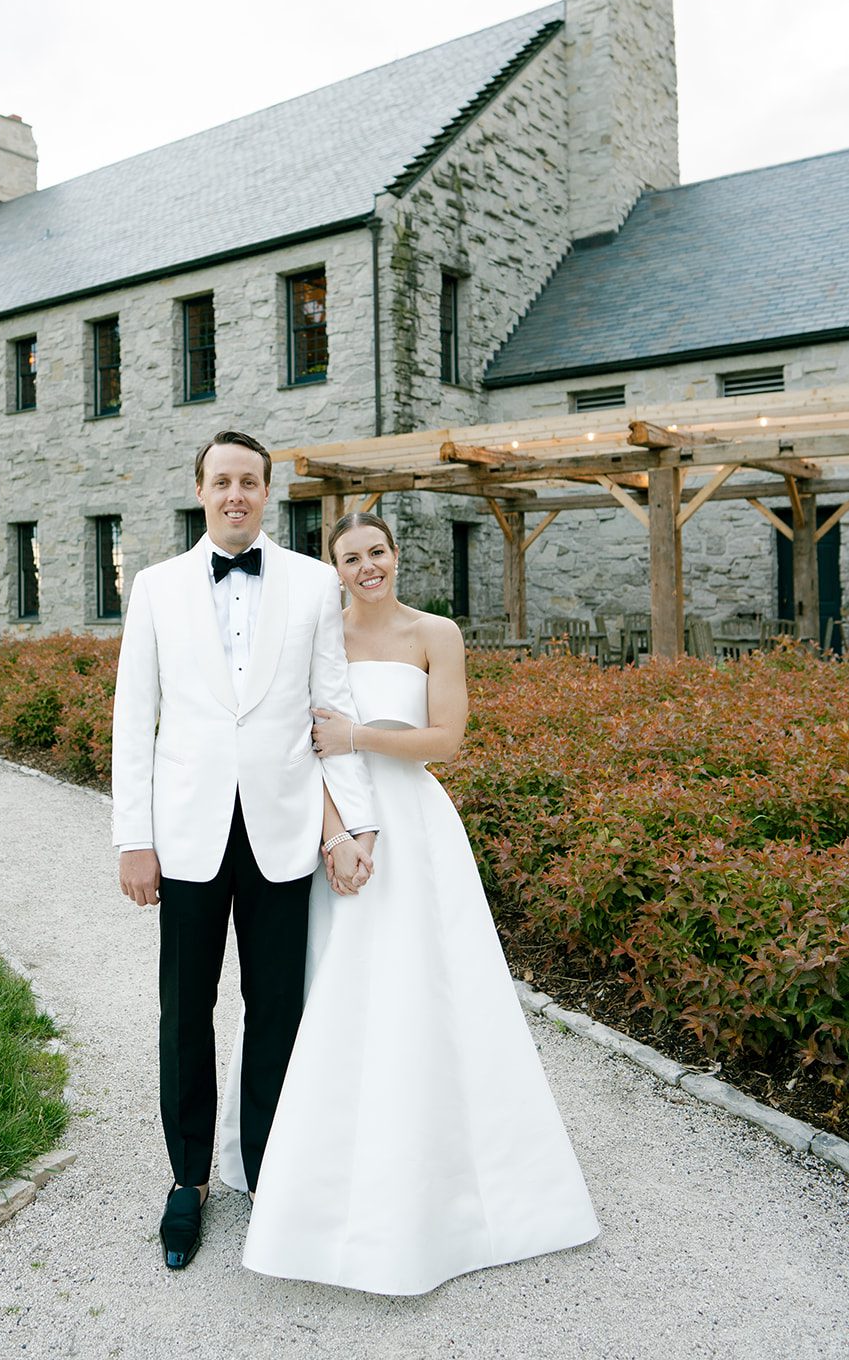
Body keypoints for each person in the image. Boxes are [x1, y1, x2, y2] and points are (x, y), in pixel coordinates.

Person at [219, 511, 600, 1295]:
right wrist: (336, 837)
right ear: (334, 568)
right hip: (339, 832)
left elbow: (447, 740)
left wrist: (361, 737)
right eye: (350, 557)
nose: (366, 567)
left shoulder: (437, 633)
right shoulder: (316, 634)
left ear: (395, 556)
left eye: (376, 553)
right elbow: (301, 749)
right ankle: (307, 1173)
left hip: (417, 828)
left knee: (428, 991)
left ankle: (447, 1177)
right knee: (333, 992)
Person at [112, 431, 376, 1270]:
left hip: (283, 832)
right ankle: (187, 1182)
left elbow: (331, 708)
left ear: (268, 493)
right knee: (185, 1013)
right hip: (185, 836)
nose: (236, 494)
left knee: (278, 1014)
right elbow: (133, 719)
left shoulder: (309, 582)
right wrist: (133, 839)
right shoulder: (153, 589)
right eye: (221, 480)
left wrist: (352, 827)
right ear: (200, 491)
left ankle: (268, 1176)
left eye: (249, 482)